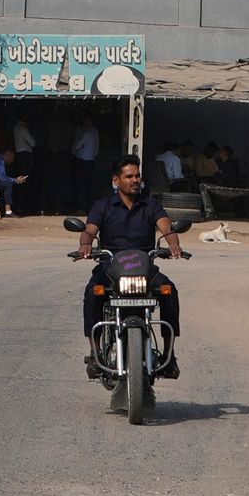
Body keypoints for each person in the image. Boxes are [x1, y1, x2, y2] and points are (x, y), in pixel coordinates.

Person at [72, 158, 187, 379]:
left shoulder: (151, 205)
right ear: (117, 180)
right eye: (129, 176)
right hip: (110, 267)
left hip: (144, 268)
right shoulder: (102, 206)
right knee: (93, 292)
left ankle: (170, 354)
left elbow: (166, 226)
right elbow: (89, 229)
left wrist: (174, 244)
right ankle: (95, 354)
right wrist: (85, 245)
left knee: (168, 290)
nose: (135, 180)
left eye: (137, 176)